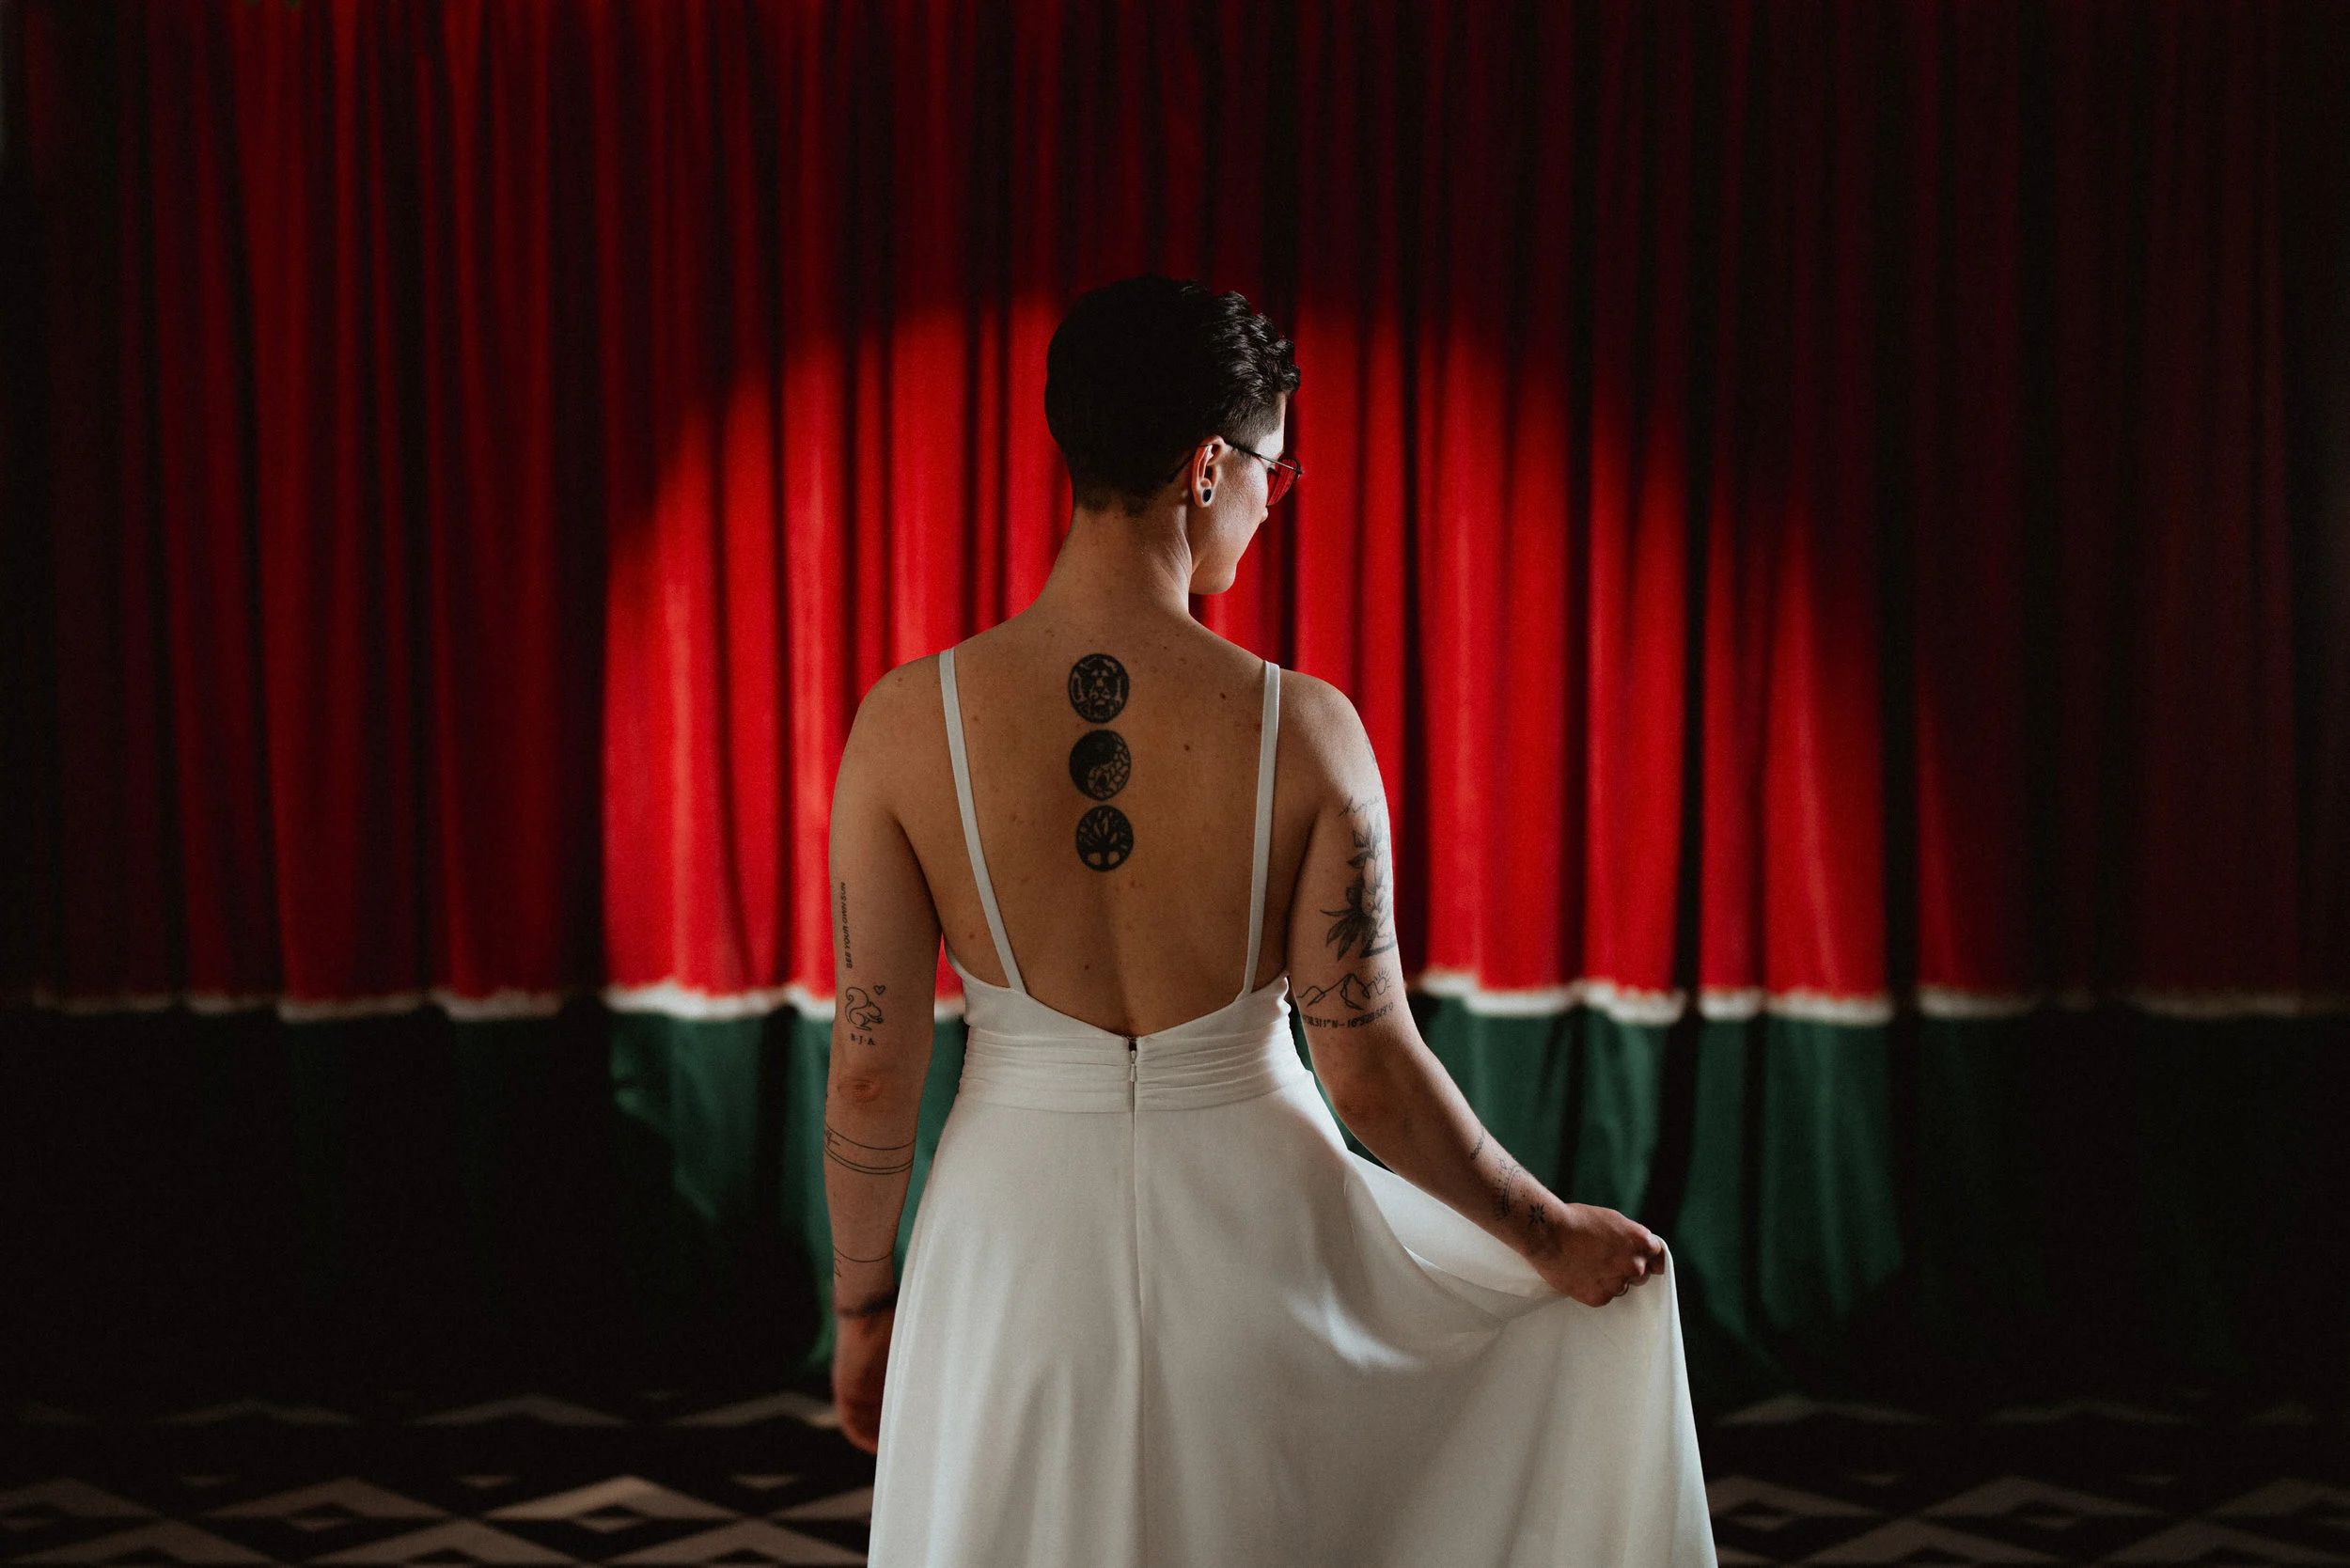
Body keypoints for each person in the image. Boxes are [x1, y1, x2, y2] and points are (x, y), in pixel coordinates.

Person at [822, 274, 1716, 1567]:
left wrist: (864, 1307)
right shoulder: (1309, 731)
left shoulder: (906, 726)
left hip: (1009, 1242)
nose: (1269, 506)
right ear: (1205, 467)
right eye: (1274, 476)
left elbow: (870, 1070)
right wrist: (1545, 1230)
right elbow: (1368, 1062)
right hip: (1261, 1241)